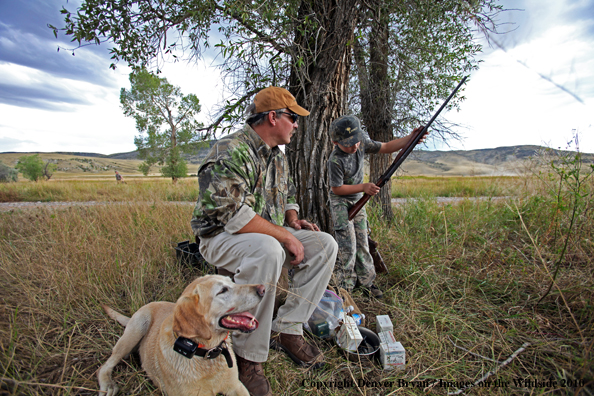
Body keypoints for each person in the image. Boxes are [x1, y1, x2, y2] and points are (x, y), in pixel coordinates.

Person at [191, 87, 337, 396]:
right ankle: (246, 356)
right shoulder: (230, 150)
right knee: (269, 249)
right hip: (221, 236)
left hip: (263, 232)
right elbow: (230, 215)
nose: (296, 125)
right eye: (293, 118)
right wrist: (284, 235)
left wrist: (293, 219)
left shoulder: (277, 157)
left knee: (325, 244)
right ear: (273, 117)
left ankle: (288, 329)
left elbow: (289, 194)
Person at [327, 115, 425, 299]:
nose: (354, 146)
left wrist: (411, 138)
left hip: (358, 200)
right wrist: (364, 187)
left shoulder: (360, 141)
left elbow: (386, 147)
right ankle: (345, 288)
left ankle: (367, 283)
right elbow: (337, 188)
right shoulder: (335, 160)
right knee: (347, 246)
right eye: (348, 144)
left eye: (356, 141)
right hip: (341, 202)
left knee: (363, 241)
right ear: (335, 142)